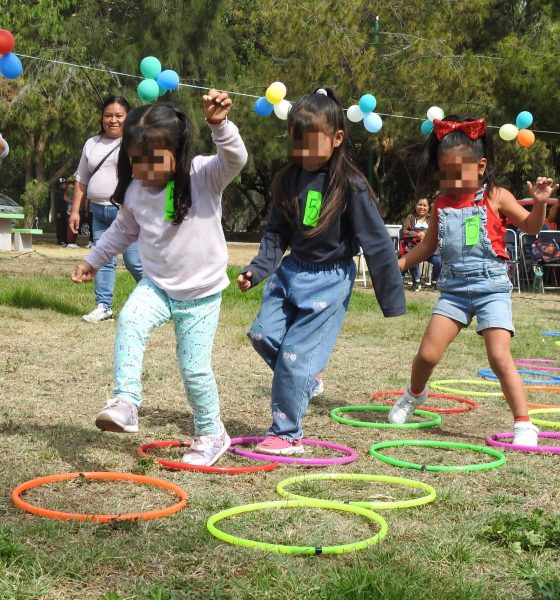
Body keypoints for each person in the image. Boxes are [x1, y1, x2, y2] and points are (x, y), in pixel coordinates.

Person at [71, 92, 248, 466]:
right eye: (135, 160)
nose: (144, 169)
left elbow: (236, 158)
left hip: (200, 294)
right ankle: (126, 401)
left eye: (153, 160)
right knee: (129, 319)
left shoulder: (203, 175)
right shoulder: (135, 191)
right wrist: (92, 260)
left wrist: (219, 125)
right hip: (157, 285)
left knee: (194, 370)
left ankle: (212, 433)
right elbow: (121, 231)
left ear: (177, 152)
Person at [237, 87, 406, 455]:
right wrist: (257, 269)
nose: (303, 151)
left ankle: (286, 434)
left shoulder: (351, 186)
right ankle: (305, 380)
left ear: (337, 138)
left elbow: (377, 243)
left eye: (312, 142)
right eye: (296, 142)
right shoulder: (287, 180)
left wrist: (391, 297)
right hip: (291, 273)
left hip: (329, 281)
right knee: (262, 335)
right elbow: (276, 233)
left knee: (294, 357)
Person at [389, 115, 558, 446]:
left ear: (481, 167)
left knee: (498, 356)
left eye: (458, 173)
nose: (451, 181)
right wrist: (399, 264)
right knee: (427, 356)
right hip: (453, 290)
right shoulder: (441, 204)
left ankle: (524, 423)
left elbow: (531, 227)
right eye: (445, 173)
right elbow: (428, 245)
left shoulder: (496, 196)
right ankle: (414, 394)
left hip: (491, 288)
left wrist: (539, 205)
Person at [69, 96, 143, 323]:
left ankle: (159, 297)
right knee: (102, 259)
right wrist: (75, 211)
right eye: (108, 115)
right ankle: (103, 306)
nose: (113, 120)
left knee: (134, 261)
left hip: (126, 213)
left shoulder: (135, 142)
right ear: (102, 118)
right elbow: (81, 179)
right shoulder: (92, 144)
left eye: (119, 116)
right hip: (98, 213)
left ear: (128, 118)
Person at [401, 197, 442, 291]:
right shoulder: (410, 218)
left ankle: (435, 281)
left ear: (428, 208)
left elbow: (438, 230)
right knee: (412, 258)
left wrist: (425, 233)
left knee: (438, 261)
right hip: (414, 248)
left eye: (424, 205)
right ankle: (416, 281)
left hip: (430, 250)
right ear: (416, 206)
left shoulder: (432, 218)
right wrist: (417, 234)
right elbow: (404, 231)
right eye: (420, 205)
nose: (422, 207)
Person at [54, 178, 68, 246]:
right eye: (62, 184)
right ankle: (60, 240)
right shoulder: (58, 193)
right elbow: (57, 203)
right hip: (60, 212)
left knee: (65, 226)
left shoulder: (66, 192)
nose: (63, 185)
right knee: (60, 226)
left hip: (65, 211)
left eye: (64, 183)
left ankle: (65, 240)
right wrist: (58, 212)